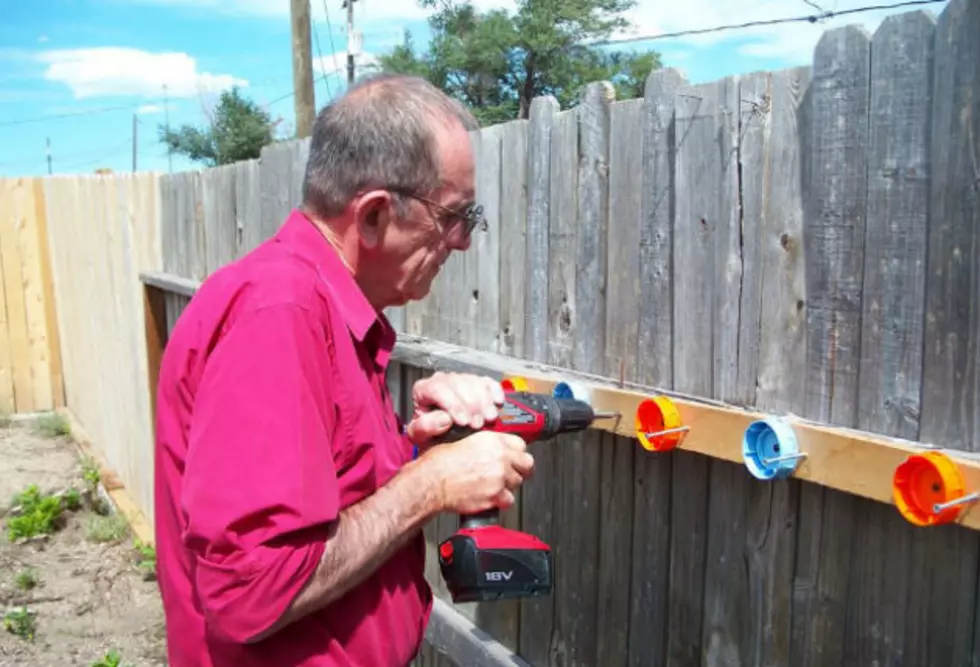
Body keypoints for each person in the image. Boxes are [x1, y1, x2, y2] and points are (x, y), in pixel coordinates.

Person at [152, 73, 536, 667]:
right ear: (376, 215)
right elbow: (250, 588)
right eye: (454, 215)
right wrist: (431, 483)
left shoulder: (324, 310)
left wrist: (413, 452)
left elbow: (323, 501)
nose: (461, 242)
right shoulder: (279, 313)